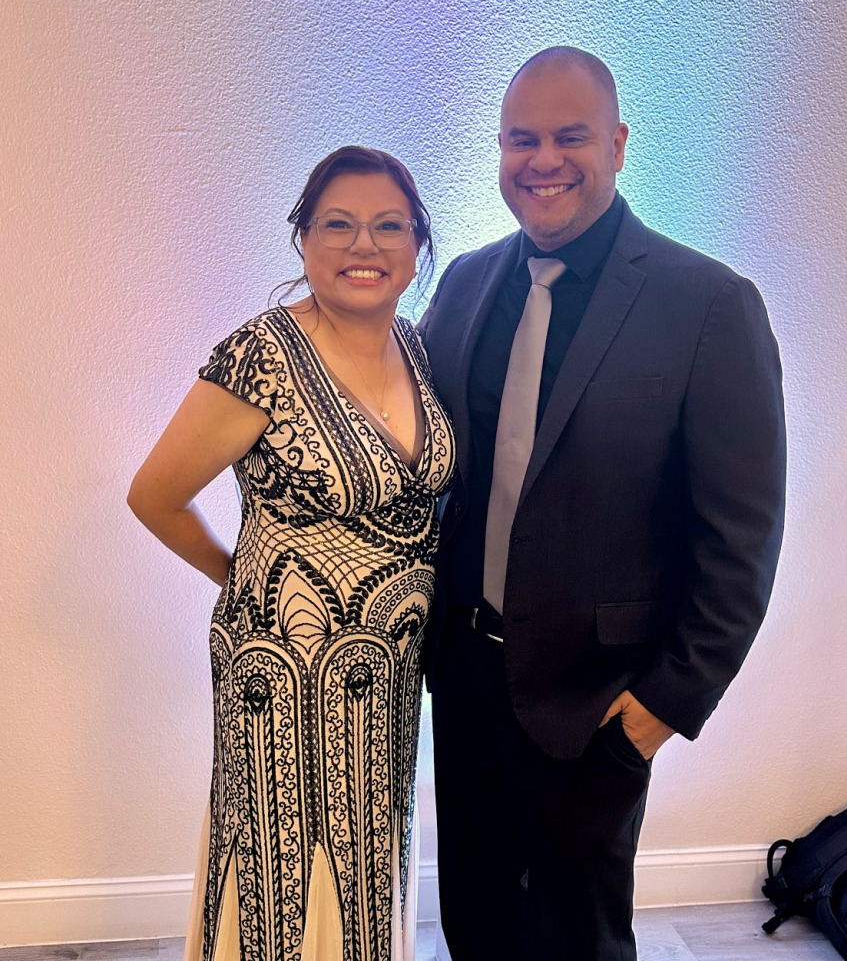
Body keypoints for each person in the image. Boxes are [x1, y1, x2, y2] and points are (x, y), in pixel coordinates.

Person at [419, 47, 787, 961]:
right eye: (521, 139)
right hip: (463, 682)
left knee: (578, 939)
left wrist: (662, 706)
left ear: (617, 145)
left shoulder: (708, 304)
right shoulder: (462, 284)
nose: (542, 160)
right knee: (474, 923)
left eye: (570, 137)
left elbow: (740, 539)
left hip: (594, 703)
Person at [128, 146, 455, 961]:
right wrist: (244, 580)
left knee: (368, 852)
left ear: (417, 243)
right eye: (337, 224)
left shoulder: (415, 347)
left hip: (388, 669)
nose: (363, 245)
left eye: (388, 226)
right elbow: (155, 495)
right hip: (282, 672)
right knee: (281, 862)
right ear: (302, 239)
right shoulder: (260, 355)